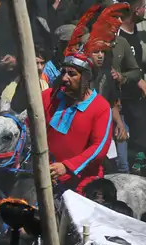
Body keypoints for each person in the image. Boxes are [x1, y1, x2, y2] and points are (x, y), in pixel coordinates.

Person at [44, 19, 116, 193]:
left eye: (72, 74)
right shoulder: (49, 97)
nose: (65, 78)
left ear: (85, 78)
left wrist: (67, 167)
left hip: (82, 181)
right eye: (63, 73)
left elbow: (99, 148)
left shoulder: (100, 107)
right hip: (45, 175)